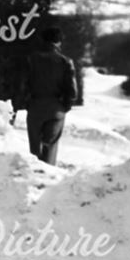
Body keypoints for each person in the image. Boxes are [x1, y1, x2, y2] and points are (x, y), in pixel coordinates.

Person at [11, 27, 79, 166]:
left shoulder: (31, 59)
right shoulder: (65, 61)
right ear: (59, 42)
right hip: (56, 108)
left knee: (35, 149)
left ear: (42, 40)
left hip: (35, 106)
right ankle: (47, 177)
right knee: (50, 147)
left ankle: (34, 175)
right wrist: (65, 106)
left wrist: (24, 104)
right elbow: (72, 91)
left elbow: (22, 85)